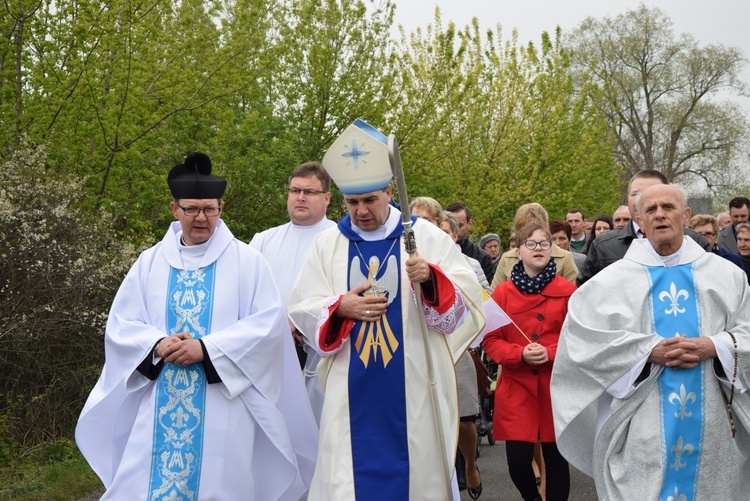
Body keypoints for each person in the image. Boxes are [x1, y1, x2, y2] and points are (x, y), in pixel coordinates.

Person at [75, 153, 316, 500]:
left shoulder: (248, 262)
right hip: (159, 398)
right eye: (191, 209)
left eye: (209, 209)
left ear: (221, 207)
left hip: (223, 403)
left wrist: (205, 349)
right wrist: (157, 343)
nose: (201, 218)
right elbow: (122, 324)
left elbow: (267, 326)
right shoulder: (149, 262)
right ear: (175, 209)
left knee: (220, 484)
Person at [287, 119, 485, 501]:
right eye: (352, 202)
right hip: (350, 388)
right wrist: (338, 306)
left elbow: (468, 301)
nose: (360, 211)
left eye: (370, 201)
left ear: (390, 192)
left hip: (413, 388)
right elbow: (303, 307)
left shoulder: (423, 237)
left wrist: (430, 279)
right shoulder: (328, 245)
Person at [552, 184, 750, 500]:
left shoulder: (728, 277)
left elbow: (747, 332)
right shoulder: (610, 284)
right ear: (639, 221)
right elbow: (581, 346)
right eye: (651, 209)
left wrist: (715, 346)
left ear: (685, 216)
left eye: (668, 207)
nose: (660, 214)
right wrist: (647, 351)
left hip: (713, 429)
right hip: (643, 431)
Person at [483, 222, 575, 501]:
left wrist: (550, 351)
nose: (539, 249)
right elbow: (491, 340)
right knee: (518, 460)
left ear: (553, 250)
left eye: (544, 244)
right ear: (518, 251)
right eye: (531, 244)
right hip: (517, 385)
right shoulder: (502, 294)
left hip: (554, 386)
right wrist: (519, 354)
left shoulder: (569, 291)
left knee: (557, 459)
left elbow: (578, 340)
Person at [249, 161, 336, 424]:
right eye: (294, 190)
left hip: (317, 356)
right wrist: (278, 324)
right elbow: (247, 296)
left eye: (309, 192)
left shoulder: (339, 239)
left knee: (315, 433)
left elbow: (341, 296)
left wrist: (300, 321)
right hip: (269, 353)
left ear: (327, 198)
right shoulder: (263, 241)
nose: (300, 197)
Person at [578, 169, 710, 285]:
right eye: (636, 194)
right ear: (627, 198)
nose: (641, 200)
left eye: (650, 192)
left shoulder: (695, 242)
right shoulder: (604, 245)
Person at [438, 212, 485, 499]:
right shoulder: (409, 261)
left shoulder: (469, 264)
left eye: (445, 230)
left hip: (459, 344)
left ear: (455, 235)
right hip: (424, 350)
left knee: (463, 418)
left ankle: (469, 463)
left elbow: (485, 299)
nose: (440, 235)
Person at [491, 203, 579, 288]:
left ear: (547, 228)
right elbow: (493, 299)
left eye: (535, 229)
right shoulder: (507, 258)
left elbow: (570, 298)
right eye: (524, 230)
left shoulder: (565, 258)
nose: (530, 235)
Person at [446, 201, 496, 283]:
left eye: (459, 225)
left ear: (469, 224)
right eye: (451, 225)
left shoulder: (482, 258)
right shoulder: (434, 253)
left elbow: (485, 293)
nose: (455, 230)